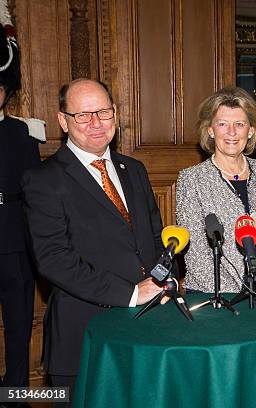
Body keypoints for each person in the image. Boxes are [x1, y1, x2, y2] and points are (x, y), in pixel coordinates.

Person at [22, 79, 165, 398]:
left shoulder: (135, 169)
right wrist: (130, 294)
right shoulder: (43, 180)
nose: (97, 123)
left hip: (148, 330)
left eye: (104, 112)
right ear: (63, 120)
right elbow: (54, 260)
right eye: (83, 115)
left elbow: (155, 240)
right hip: (84, 336)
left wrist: (161, 283)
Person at [176, 86, 256, 293]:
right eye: (222, 124)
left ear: (251, 131)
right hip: (214, 295)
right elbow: (196, 254)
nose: (231, 132)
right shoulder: (191, 179)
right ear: (210, 130)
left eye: (239, 124)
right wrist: (234, 295)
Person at [0, 19, 40, 389]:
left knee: (18, 325)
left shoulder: (20, 133)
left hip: (14, 243)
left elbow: (35, 193)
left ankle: (14, 391)